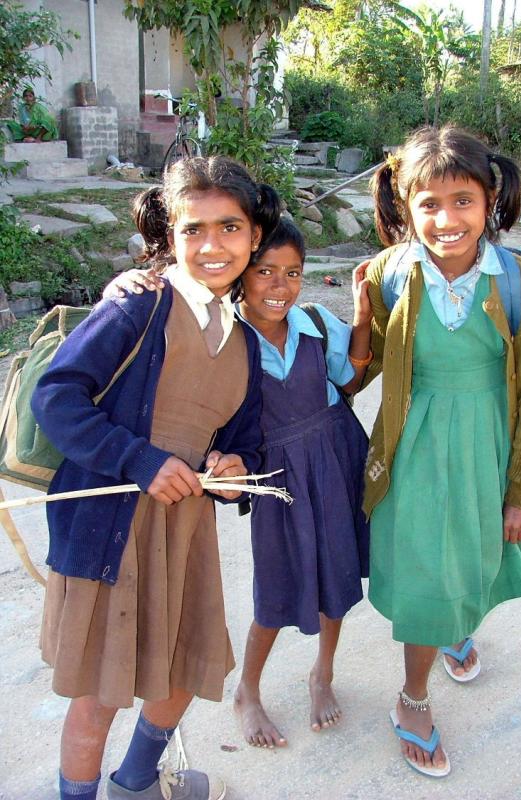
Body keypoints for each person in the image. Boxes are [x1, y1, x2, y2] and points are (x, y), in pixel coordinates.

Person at [31, 155, 281, 800]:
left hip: (183, 534)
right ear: (171, 235)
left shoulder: (245, 340)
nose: (212, 245)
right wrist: (140, 461)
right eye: (193, 229)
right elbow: (57, 396)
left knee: (185, 671)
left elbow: (242, 440)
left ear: (254, 235)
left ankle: (137, 783)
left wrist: (234, 469)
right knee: (99, 696)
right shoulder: (137, 306)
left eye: (230, 228)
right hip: (110, 531)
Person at [105, 218, 373, 749]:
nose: (280, 286)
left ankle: (323, 673)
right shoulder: (226, 339)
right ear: (241, 275)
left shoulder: (316, 323)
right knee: (276, 586)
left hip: (336, 460)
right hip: (277, 480)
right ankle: (247, 690)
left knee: (338, 573)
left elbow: (350, 379)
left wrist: (362, 316)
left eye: (293, 273)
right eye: (266, 271)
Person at [348, 125, 521, 778]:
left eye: (463, 200)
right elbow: (357, 376)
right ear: (405, 206)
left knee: (471, 554)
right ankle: (412, 699)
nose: (447, 220)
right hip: (412, 454)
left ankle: (456, 628)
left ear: (490, 199)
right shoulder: (388, 275)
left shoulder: (519, 283)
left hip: (484, 450)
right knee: (425, 575)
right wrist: (359, 315)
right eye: (429, 204)